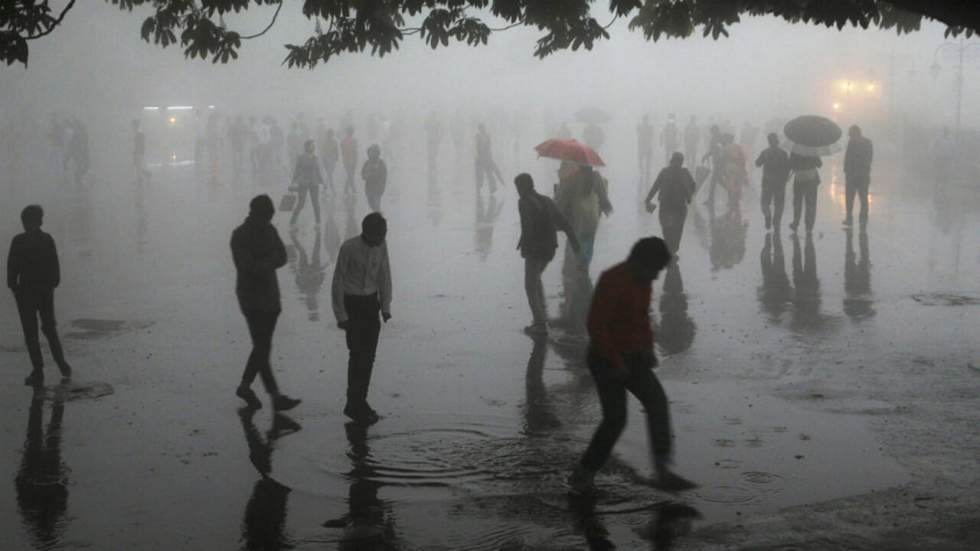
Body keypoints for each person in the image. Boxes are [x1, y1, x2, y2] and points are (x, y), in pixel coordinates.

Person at [568, 237, 697, 494]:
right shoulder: (612, 280)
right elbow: (596, 326)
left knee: (657, 404)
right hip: (605, 359)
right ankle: (583, 474)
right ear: (640, 262)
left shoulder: (644, 282)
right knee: (615, 420)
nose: (657, 276)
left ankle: (662, 472)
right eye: (655, 269)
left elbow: (642, 319)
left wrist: (648, 348)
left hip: (634, 358)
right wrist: (615, 362)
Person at [230, 195, 301, 411]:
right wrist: (268, 260)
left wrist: (264, 261)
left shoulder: (268, 230)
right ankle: (274, 395)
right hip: (253, 299)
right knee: (262, 346)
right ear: (258, 213)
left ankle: (246, 386)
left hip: (269, 297)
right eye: (268, 215)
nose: (270, 219)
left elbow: (282, 257)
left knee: (262, 346)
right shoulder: (240, 235)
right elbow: (248, 266)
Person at [332, 213, 392, 424]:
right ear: (369, 232)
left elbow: (384, 274)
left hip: (370, 304)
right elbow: (338, 280)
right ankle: (353, 402)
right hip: (353, 305)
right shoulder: (349, 248)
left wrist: (385, 305)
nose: (384, 237)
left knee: (369, 357)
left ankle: (360, 401)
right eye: (381, 234)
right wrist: (341, 314)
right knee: (357, 355)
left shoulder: (382, 246)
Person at [7, 205, 72, 386]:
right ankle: (61, 364)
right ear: (39, 220)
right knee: (49, 329)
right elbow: (55, 270)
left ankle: (38, 370)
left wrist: (16, 289)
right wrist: (50, 286)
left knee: (32, 333)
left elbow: (11, 271)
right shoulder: (47, 239)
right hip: (44, 292)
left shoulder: (18, 241)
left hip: (26, 293)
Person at [515, 173, 580, 335]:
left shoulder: (523, 202)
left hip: (535, 250)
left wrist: (525, 246)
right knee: (536, 279)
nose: (517, 191)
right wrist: (575, 242)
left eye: (518, 187)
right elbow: (563, 222)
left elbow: (527, 226)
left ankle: (539, 323)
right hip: (550, 248)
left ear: (523, 187)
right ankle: (542, 313)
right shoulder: (546, 200)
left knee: (529, 286)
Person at [645, 153, 695, 257]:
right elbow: (656, 186)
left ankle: (672, 249)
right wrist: (648, 199)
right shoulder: (666, 172)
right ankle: (670, 248)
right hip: (668, 206)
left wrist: (689, 195)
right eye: (676, 161)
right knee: (669, 230)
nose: (677, 164)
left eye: (679, 162)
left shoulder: (683, 172)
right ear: (672, 162)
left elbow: (693, 185)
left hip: (677, 207)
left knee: (675, 230)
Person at [755, 133, 791, 231]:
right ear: (777, 141)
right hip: (780, 183)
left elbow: (757, 163)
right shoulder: (783, 153)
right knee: (779, 204)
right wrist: (786, 177)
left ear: (769, 142)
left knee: (765, 203)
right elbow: (788, 167)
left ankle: (767, 215)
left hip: (767, 182)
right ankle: (776, 221)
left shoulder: (765, 152)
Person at [843, 125, 874, 227]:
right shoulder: (867, 143)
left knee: (850, 198)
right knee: (863, 198)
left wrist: (847, 170)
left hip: (854, 176)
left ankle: (850, 218)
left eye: (851, 135)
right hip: (862, 176)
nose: (850, 137)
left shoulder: (853, 143)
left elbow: (848, 158)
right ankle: (862, 219)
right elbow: (869, 159)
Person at [289, 140, 324, 227]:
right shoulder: (301, 158)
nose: (314, 147)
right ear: (307, 147)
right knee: (301, 203)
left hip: (314, 183)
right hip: (303, 183)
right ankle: (293, 221)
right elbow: (296, 171)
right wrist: (293, 182)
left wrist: (322, 182)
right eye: (312, 145)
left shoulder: (316, 158)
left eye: (314, 145)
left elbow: (318, 171)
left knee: (316, 203)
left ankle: (318, 222)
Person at [788, 152, 822, 234]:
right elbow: (819, 164)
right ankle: (809, 226)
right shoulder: (813, 149)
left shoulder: (795, 150)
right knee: (811, 203)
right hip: (811, 179)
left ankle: (796, 222)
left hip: (799, 178)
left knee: (797, 202)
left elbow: (790, 164)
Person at [700, 125, 723, 206]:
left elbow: (715, 149)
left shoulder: (717, 138)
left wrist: (706, 156)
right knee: (718, 181)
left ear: (714, 131)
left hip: (718, 162)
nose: (711, 134)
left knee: (715, 181)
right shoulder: (718, 137)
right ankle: (732, 197)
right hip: (718, 161)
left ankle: (710, 199)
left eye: (712, 132)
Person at [361, 144, 388, 212]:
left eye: (372, 152)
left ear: (377, 153)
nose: (370, 154)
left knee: (376, 205)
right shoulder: (367, 162)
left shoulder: (380, 163)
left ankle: (379, 219)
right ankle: (379, 215)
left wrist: (381, 185)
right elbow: (363, 172)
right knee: (371, 204)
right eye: (370, 152)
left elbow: (383, 175)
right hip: (368, 188)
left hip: (377, 188)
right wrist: (365, 176)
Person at [320, 128, 339, 195]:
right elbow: (323, 151)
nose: (330, 135)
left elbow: (336, 151)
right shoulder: (325, 142)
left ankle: (327, 189)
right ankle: (331, 190)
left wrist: (336, 157)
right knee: (329, 175)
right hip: (327, 160)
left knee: (329, 175)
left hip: (331, 160)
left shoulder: (334, 141)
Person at [341, 126, 359, 195]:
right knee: (351, 175)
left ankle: (346, 189)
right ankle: (353, 189)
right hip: (352, 160)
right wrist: (354, 159)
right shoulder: (354, 141)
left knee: (350, 175)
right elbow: (355, 151)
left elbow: (343, 152)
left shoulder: (343, 141)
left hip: (346, 160)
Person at [637, 115, 654, 185]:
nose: (646, 121)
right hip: (644, 144)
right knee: (644, 158)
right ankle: (644, 170)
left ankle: (644, 170)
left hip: (644, 144)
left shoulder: (641, 126)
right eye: (645, 119)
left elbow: (651, 135)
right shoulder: (648, 127)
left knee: (645, 158)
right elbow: (651, 135)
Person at [132, 119, 150, 183]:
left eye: (134, 125)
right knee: (138, 165)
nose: (133, 127)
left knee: (138, 166)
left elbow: (140, 144)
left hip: (139, 152)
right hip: (138, 152)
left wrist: (138, 151)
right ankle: (144, 176)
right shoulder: (138, 134)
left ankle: (141, 178)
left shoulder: (139, 134)